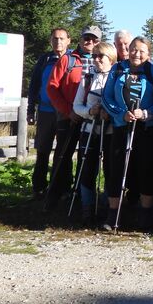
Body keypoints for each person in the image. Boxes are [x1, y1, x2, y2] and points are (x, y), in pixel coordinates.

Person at [101, 36, 153, 232]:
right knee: (117, 169)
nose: (137, 54)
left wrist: (145, 113)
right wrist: (121, 113)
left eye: (142, 51)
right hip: (122, 126)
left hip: (147, 128)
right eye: (134, 49)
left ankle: (145, 214)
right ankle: (113, 214)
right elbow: (107, 96)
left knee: (146, 169)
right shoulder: (117, 69)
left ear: (149, 53)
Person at [44, 26, 101, 210]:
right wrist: (69, 111)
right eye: (86, 38)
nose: (90, 42)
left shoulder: (102, 60)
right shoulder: (67, 59)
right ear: (80, 39)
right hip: (68, 116)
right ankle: (56, 194)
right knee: (63, 156)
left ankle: (79, 195)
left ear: (99, 42)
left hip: (91, 118)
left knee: (86, 158)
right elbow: (52, 88)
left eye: (94, 39)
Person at [72, 41, 116, 228]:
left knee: (110, 170)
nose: (97, 59)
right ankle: (87, 209)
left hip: (110, 131)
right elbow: (76, 106)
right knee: (88, 169)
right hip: (89, 130)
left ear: (111, 59)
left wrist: (110, 112)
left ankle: (107, 206)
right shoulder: (88, 78)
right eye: (95, 56)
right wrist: (90, 112)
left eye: (101, 56)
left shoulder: (117, 78)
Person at [27, 28, 69, 197]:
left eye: (62, 38)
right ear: (50, 41)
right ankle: (39, 188)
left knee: (63, 153)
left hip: (65, 113)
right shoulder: (44, 60)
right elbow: (34, 85)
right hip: (45, 111)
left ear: (68, 41)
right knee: (42, 151)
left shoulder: (73, 60)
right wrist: (30, 110)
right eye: (55, 38)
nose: (58, 41)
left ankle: (59, 189)